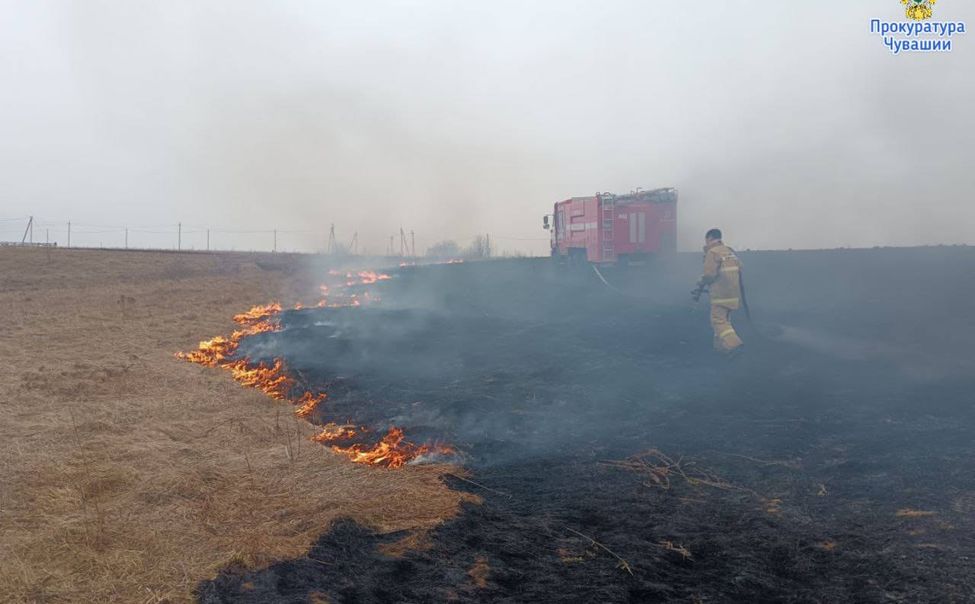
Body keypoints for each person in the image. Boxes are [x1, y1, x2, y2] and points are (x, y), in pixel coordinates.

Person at [693, 228, 744, 354]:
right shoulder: (729, 251)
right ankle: (721, 349)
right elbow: (740, 267)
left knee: (718, 321)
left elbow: (709, 275)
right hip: (733, 294)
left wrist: (700, 281)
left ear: (709, 238)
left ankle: (734, 345)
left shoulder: (713, 252)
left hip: (721, 294)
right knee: (725, 321)